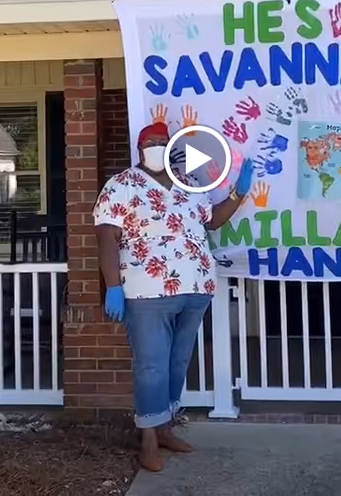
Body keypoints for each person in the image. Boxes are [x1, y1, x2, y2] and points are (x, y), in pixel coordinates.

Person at [94, 122, 253, 472]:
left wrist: (238, 194)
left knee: (177, 364)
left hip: (196, 288)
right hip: (146, 290)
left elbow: (211, 222)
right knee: (151, 366)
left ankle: (164, 429)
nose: (157, 146)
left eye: (163, 142)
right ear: (139, 148)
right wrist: (113, 286)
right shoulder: (121, 185)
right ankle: (148, 441)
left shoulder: (191, 182)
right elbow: (106, 237)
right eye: (151, 142)